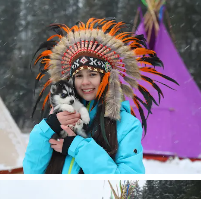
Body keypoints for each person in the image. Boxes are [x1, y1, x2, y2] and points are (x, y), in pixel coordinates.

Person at [22, 18, 176, 174]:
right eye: (79, 76)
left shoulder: (127, 126)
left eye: (92, 74)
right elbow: (31, 173)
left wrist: (77, 146)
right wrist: (47, 128)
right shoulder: (60, 117)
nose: (85, 82)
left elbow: (127, 180)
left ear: (106, 77)